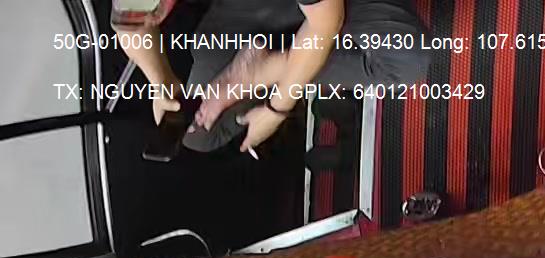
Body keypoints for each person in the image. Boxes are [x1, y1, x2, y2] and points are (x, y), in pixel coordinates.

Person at [112, 0, 432, 154]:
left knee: (405, 58)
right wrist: (162, 82)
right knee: (197, 131)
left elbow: (326, 22)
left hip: (333, 9)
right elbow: (130, 26)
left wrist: (276, 107)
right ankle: (289, 64)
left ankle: (271, 67)